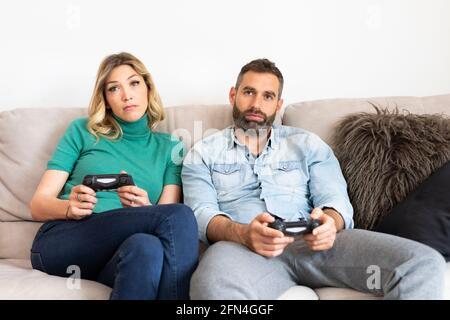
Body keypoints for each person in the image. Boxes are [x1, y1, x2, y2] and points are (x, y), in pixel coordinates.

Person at [181, 58, 446, 299]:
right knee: (210, 286)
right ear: (233, 94)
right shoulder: (203, 153)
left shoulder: (307, 144)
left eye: (268, 96)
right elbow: (200, 213)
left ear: (278, 104)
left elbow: (335, 199)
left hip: (319, 246)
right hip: (244, 250)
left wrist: (329, 223)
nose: (256, 105)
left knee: (422, 264)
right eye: (249, 92)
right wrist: (242, 233)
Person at [29, 52, 198, 300]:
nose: (126, 95)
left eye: (134, 83)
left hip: (118, 253)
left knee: (146, 247)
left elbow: (164, 214)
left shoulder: (171, 147)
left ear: (148, 88)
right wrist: (69, 207)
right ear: (106, 99)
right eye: (114, 88)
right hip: (65, 241)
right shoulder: (82, 130)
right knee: (180, 216)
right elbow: (37, 205)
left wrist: (145, 209)